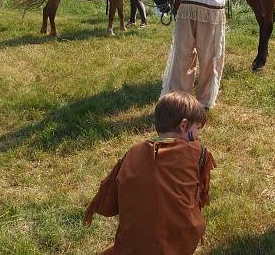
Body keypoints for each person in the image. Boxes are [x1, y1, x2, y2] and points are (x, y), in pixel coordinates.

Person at [84, 92, 216, 255]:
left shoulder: (132, 153)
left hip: (132, 245)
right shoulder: (196, 152)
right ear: (183, 125)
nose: (198, 136)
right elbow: (199, 197)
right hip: (178, 244)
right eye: (197, 129)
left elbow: (110, 203)